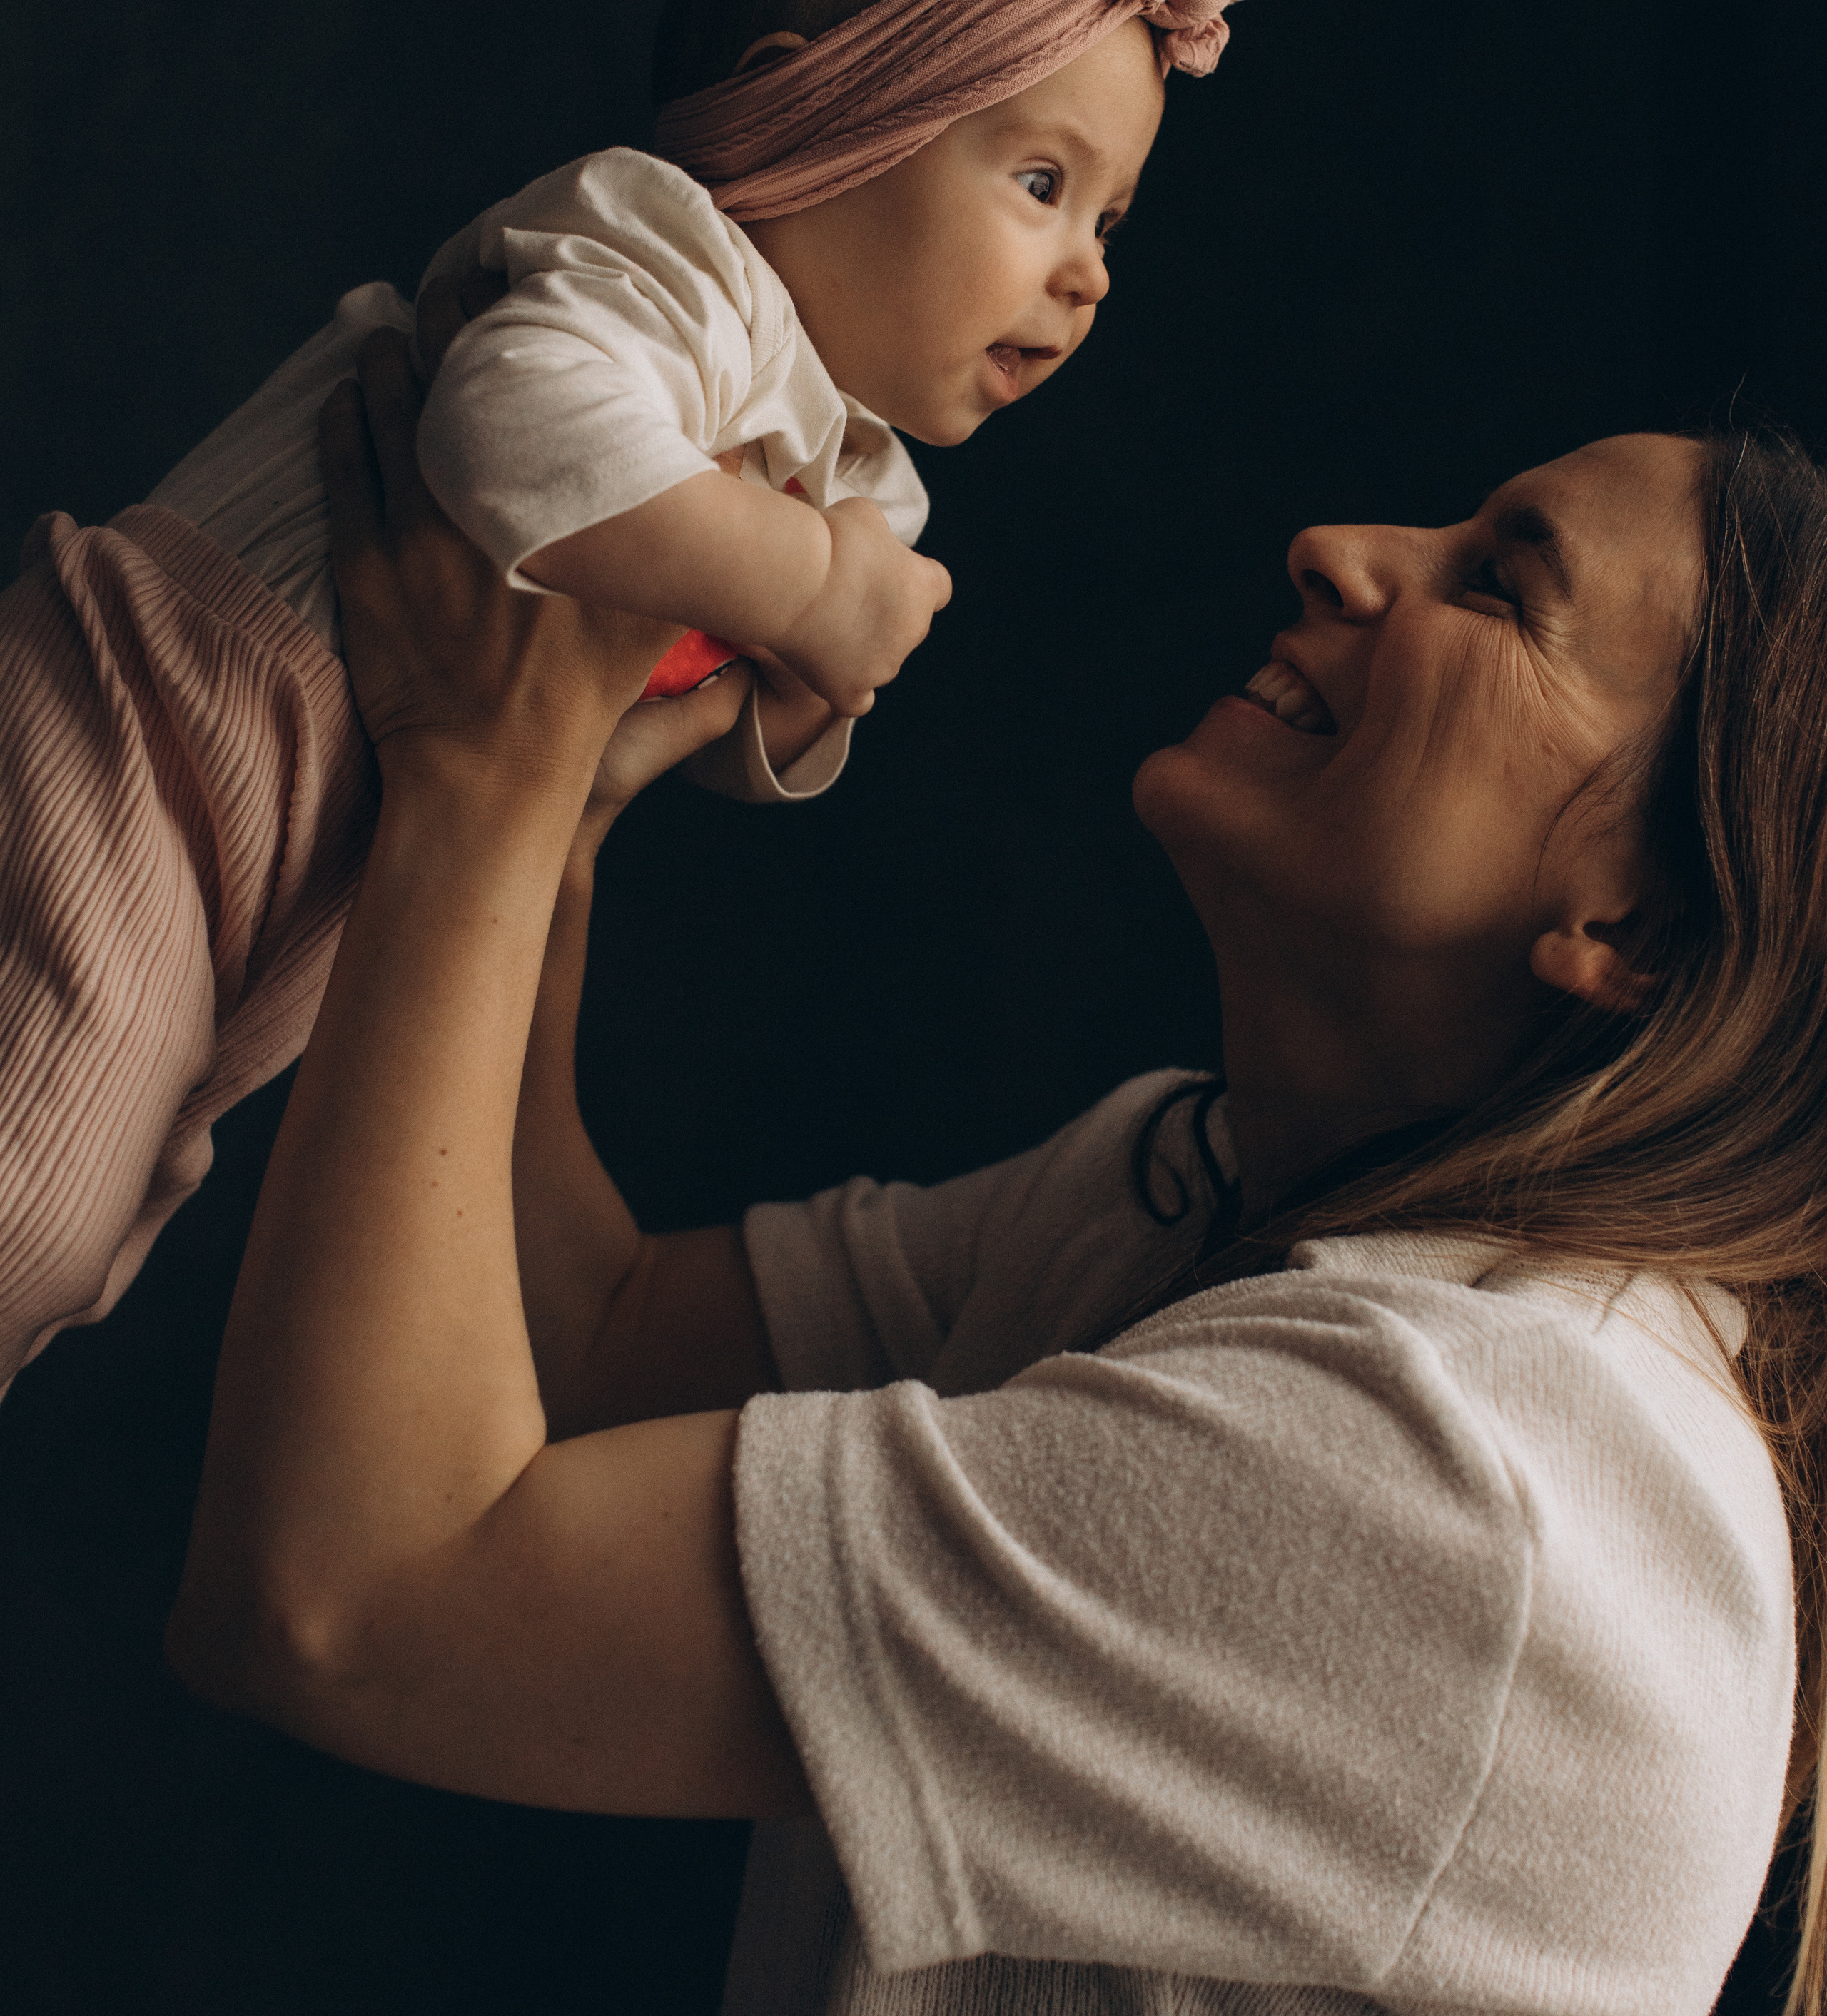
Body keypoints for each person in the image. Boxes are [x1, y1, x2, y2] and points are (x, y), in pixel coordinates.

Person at [166, 326, 1826, 2016]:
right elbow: (592, 1344)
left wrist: (474, 776)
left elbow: (340, 1604)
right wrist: (563, 799)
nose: (1339, 549)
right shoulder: (1191, 1191)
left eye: (1496, 588)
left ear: (1624, 924)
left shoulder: (1468, 1478)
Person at [0, 0, 1261, 1391]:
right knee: (23, 1208)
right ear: (815, 104)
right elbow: (513, 434)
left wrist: (811, 695)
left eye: (1105, 222)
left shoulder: (852, 461)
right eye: (1035, 180)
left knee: (90, 1226)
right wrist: (810, 587)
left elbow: (706, 730)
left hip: (304, 876)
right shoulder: (659, 252)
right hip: (146, 719)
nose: (1083, 272)